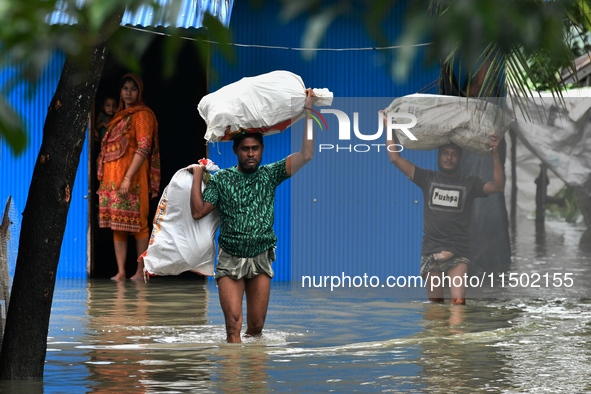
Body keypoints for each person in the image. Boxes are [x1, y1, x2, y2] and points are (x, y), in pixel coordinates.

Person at [188, 89, 318, 343]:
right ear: (236, 151)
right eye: (245, 149)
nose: (250, 153)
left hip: (260, 258)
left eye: (255, 148)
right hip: (230, 258)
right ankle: (233, 382)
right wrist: (196, 175)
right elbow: (198, 212)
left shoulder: (270, 174)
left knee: (256, 328)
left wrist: (310, 111)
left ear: (262, 150)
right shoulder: (223, 179)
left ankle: (255, 380)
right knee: (233, 327)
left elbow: (307, 155)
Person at [385, 113, 505, 305]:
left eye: (454, 154)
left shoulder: (469, 183)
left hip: (458, 253)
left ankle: (457, 335)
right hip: (431, 252)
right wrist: (389, 127)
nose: (449, 157)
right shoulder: (427, 178)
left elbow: (498, 186)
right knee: (436, 308)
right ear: (439, 156)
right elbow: (394, 158)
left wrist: (495, 154)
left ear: (459, 158)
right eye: (445, 153)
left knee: (458, 305)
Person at [97, 73, 161, 281]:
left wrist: (127, 177)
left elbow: (143, 147)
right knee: (118, 226)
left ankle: (140, 271)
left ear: (140, 91)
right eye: (125, 88)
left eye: (133, 89)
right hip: (113, 182)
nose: (129, 93)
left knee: (139, 225)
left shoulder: (143, 115)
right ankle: (122, 271)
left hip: (133, 180)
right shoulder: (119, 116)